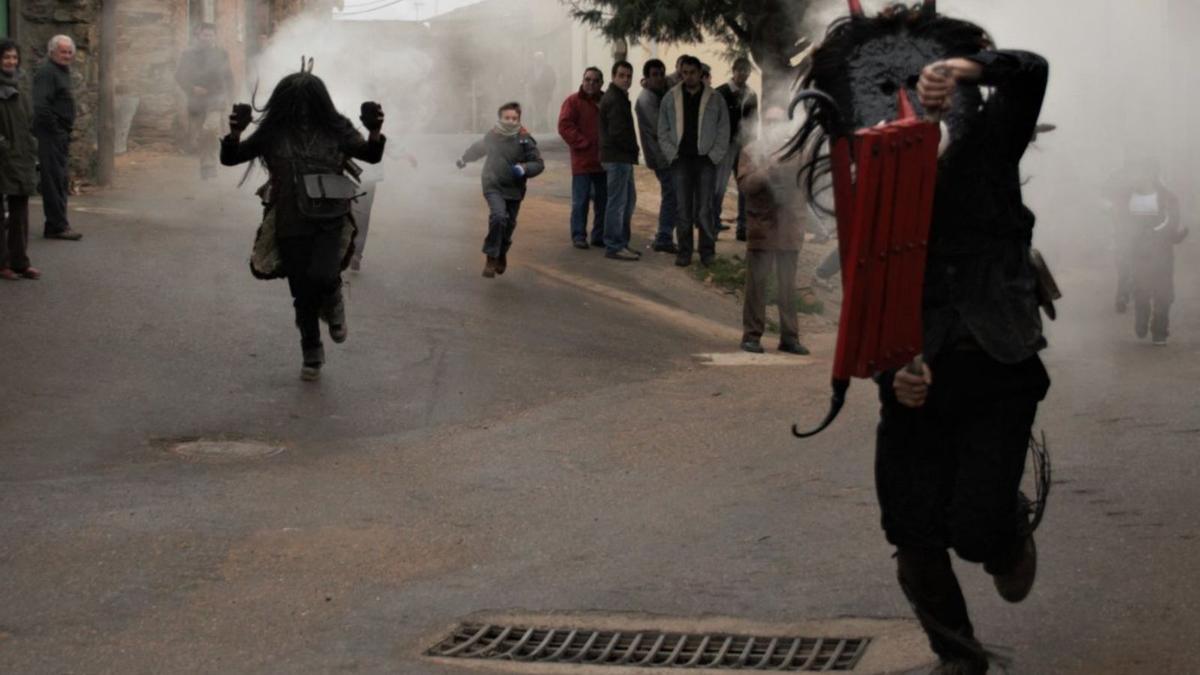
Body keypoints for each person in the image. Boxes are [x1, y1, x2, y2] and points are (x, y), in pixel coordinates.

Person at [220, 69, 386, 381]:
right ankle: (311, 349)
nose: (302, 109)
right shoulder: (273, 133)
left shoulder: (337, 129)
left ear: (319, 102)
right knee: (301, 290)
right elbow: (232, 158)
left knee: (322, 275)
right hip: (288, 217)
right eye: (296, 102)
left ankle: (334, 299)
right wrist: (234, 134)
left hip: (330, 217)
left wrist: (374, 131)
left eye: (308, 101)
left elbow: (371, 155)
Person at [737, 108, 807, 355]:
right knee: (757, 286)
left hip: (788, 228)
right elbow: (745, 185)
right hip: (762, 228)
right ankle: (751, 336)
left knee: (787, 286)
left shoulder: (796, 152)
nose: (774, 127)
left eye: (778, 122)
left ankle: (790, 337)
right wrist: (766, 170)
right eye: (769, 122)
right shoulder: (751, 151)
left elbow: (805, 183)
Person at [456, 102, 545, 278]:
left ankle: (502, 252)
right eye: (507, 118)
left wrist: (525, 168)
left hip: (515, 188)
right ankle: (491, 257)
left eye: (514, 118)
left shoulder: (525, 139)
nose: (511, 121)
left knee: (509, 223)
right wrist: (464, 159)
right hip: (492, 183)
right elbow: (478, 149)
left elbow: (539, 163)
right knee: (498, 216)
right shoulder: (492, 136)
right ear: (500, 118)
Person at [657, 55, 730, 268]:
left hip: (705, 161)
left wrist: (714, 155)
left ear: (700, 73)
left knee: (705, 208)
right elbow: (662, 130)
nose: (688, 77)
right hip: (681, 161)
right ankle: (685, 252)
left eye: (692, 73)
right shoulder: (671, 98)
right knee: (683, 208)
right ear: (681, 73)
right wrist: (672, 153)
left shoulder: (715, 98)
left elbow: (723, 129)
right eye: (685, 73)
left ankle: (707, 252)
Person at [1118, 160, 1187, 344]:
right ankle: (1141, 319)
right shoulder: (1126, 198)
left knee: (1163, 293)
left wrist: (1157, 234)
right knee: (1141, 290)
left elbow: (1172, 223)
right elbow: (1119, 222)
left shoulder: (1168, 198)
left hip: (1161, 252)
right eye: (1136, 172)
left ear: (1152, 174)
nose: (1139, 176)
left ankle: (1160, 330)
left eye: (1143, 172)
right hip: (1137, 252)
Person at [33, 35, 81, 241]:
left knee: (59, 180)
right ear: (52, 51)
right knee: (53, 180)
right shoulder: (47, 72)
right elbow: (41, 106)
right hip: (51, 134)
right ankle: (57, 226)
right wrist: (56, 129)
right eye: (63, 51)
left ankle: (57, 224)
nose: (67, 55)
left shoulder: (61, 71)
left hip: (59, 134)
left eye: (70, 52)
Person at [0, 40, 41, 281]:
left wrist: (31, 146)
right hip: (3, 156)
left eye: (14, 58)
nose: (11, 62)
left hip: (21, 156)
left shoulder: (20, 87)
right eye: (6, 58)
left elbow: (29, 121)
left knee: (20, 212)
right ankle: (2, 263)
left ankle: (20, 261)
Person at [175, 22, 235, 180]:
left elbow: (228, 76)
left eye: (211, 35)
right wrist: (192, 88)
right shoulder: (188, 55)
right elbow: (180, 76)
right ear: (198, 36)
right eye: (205, 35)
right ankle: (206, 165)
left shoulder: (222, 53)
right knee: (200, 136)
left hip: (216, 99)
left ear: (215, 36)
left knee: (211, 129)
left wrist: (232, 97)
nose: (208, 38)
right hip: (196, 101)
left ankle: (209, 164)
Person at [558, 68, 606, 249]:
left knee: (603, 201)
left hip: (603, 162)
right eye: (587, 79)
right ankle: (578, 235)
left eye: (595, 80)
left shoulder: (605, 101)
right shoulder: (572, 101)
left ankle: (599, 236)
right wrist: (583, 143)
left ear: (601, 83)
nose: (591, 83)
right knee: (581, 201)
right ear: (582, 80)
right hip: (582, 162)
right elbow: (564, 126)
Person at [598, 60, 640, 261]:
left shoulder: (619, 97)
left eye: (629, 76)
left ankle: (621, 242)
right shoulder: (614, 98)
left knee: (628, 200)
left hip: (621, 157)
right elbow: (617, 133)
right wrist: (633, 149)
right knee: (618, 202)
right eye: (621, 75)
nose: (625, 79)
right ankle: (614, 245)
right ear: (614, 76)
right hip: (617, 157)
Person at [635, 58, 677, 253]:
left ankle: (665, 235)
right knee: (671, 194)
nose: (659, 78)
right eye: (654, 75)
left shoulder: (660, 91)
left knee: (673, 194)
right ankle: (664, 236)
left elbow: (674, 79)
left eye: (661, 74)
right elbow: (660, 128)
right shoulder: (646, 100)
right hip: (660, 156)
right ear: (647, 78)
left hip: (667, 154)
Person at [715, 57, 759, 241]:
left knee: (744, 187)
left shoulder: (751, 94)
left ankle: (743, 227)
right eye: (740, 70)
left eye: (747, 71)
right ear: (733, 71)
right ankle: (712, 224)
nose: (743, 74)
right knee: (719, 186)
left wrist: (753, 143)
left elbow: (754, 121)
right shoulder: (721, 93)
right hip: (725, 146)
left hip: (744, 145)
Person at [526, 52, 558, 133]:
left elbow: (553, 80)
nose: (538, 61)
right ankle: (538, 126)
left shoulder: (548, 69)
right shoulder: (531, 69)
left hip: (544, 94)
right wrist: (529, 87)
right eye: (536, 59)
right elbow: (527, 79)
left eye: (540, 59)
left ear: (542, 60)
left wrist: (549, 91)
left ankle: (543, 126)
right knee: (536, 110)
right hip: (534, 93)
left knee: (543, 110)